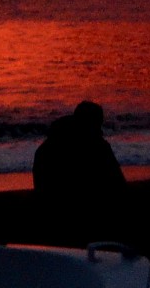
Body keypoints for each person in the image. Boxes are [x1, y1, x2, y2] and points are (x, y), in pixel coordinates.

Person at [33, 100, 127, 240]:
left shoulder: (49, 145)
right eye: (97, 124)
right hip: (72, 212)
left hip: (50, 211)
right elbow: (117, 182)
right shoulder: (96, 146)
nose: (99, 129)